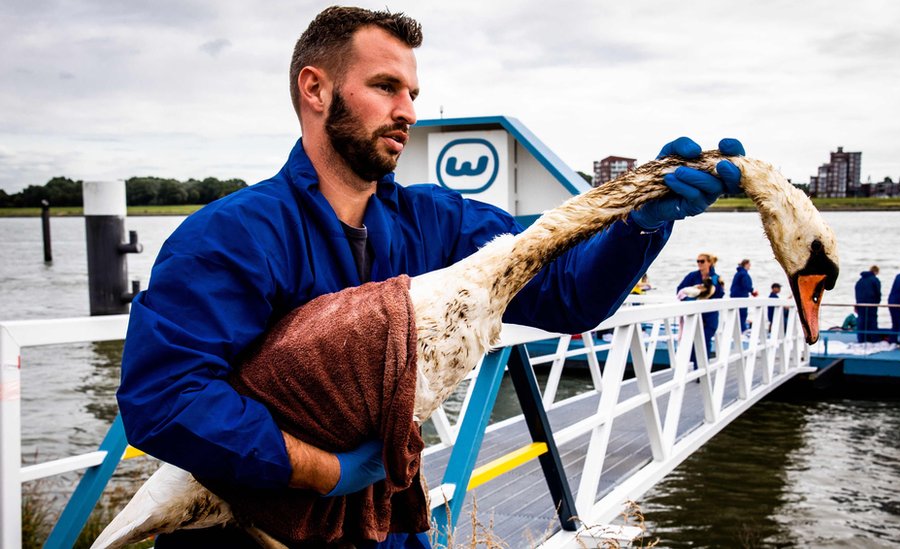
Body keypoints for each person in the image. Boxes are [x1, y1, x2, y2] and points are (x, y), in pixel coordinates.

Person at [115, 6, 746, 547]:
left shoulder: (439, 223)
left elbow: (569, 294)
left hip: (390, 528)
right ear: (315, 89)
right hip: (251, 534)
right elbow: (165, 400)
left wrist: (636, 226)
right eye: (386, 86)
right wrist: (322, 471)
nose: (407, 111)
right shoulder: (230, 237)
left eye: (412, 93)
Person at [677, 253, 724, 358]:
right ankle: (696, 371)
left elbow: (720, 295)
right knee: (692, 345)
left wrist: (708, 291)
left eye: (702, 261)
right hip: (693, 315)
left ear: (709, 263)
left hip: (709, 317)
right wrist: (689, 298)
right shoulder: (692, 276)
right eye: (697, 261)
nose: (699, 263)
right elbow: (680, 290)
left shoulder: (716, 278)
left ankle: (701, 370)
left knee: (704, 342)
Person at [854, 265, 882, 343]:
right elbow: (878, 293)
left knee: (861, 321)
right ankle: (874, 339)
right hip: (872, 304)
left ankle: (861, 339)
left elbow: (856, 292)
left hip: (860, 304)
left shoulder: (860, 281)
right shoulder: (875, 280)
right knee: (872, 321)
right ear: (876, 272)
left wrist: (857, 303)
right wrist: (877, 302)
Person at [730, 258, 758, 331]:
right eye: (749, 265)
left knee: (736, 314)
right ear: (745, 264)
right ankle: (742, 330)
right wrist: (752, 291)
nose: (750, 266)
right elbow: (746, 285)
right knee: (742, 314)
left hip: (734, 296)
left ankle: (735, 330)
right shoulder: (743, 274)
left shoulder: (738, 273)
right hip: (741, 296)